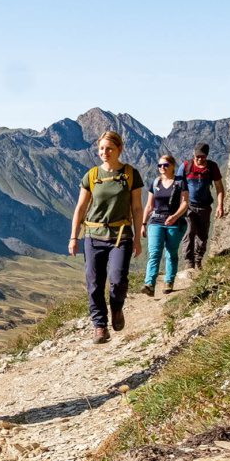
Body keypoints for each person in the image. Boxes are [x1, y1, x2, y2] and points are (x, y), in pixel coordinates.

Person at [68, 130, 143, 344]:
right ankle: (100, 326)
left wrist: (137, 238)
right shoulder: (91, 176)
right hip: (93, 235)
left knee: (118, 280)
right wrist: (74, 237)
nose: (104, 152)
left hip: (121, 235)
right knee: (94, 283)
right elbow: (81, 207)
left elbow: (137, 208)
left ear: (119, 149)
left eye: (109, 148)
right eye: (101, 148)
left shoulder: (130, 174)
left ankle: (117, 309)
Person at [141, 154, 189, 296]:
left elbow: (185, 202)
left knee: (171, 252)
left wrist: (174, 217)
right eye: (160, 165)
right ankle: (149, 283)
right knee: (154, 253)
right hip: (156, 222)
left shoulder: (180, 182)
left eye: (165, 165)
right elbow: (149, 206)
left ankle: (169, 281)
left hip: (175, 223)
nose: (162, 167)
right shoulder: (155, 183)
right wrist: (143, 223)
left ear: (172, 166)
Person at [179, 142, 224, 269]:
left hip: (205, 207)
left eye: (202, 157)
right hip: (188, 206)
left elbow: (219, 187)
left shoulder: (212, 167)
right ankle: (189, 263)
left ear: (207, 156)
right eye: (197, 156)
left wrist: (220, 206)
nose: (199, 159)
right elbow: (177, 187)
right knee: (189, 232)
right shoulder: (186, 166)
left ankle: (198, 260)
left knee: (202, 236)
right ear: (194, 154)